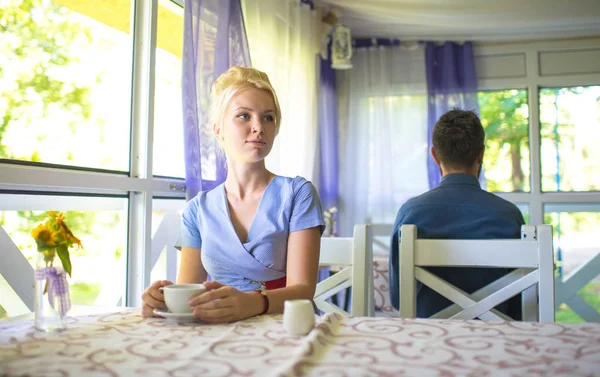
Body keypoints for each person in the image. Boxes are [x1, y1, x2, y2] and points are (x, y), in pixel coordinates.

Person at [142, 67, 325, 323]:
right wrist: (161, 300)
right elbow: (188, 294)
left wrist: (253, 303)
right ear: (218, 130)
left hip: (287, 330)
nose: (258, 127)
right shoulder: (197, 210)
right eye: (243, 116)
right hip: (216, 334)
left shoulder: (297, 194)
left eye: (268, 118)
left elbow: (303, 291)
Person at [389, 108, 524, 319]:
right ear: (481, 153)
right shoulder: (509, 215)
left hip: (428, 341)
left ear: (434, 155)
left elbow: (398, 299)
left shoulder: (410, 213)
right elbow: (520, 304)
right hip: (497, 340)